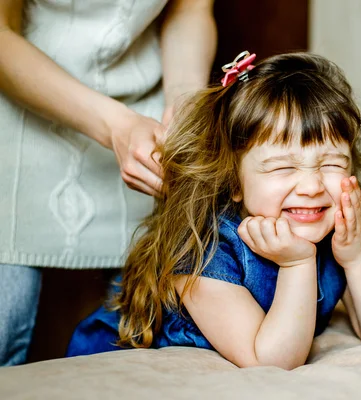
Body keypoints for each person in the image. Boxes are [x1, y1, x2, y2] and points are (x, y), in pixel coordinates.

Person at [66, 51, 361, 370]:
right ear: (234, 182)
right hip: (119, 360)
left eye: (332, 164)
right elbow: (272, 360)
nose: (312, 187)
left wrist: (359, 257)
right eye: (282, 168)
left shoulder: (332, 231)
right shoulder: (204, 250)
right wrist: (297, 263)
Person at [0, 0, 217, 366]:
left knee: (138, 342)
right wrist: (115, 125)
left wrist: (184, 101)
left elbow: (190, 10)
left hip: (144, 114)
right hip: (16, 115)